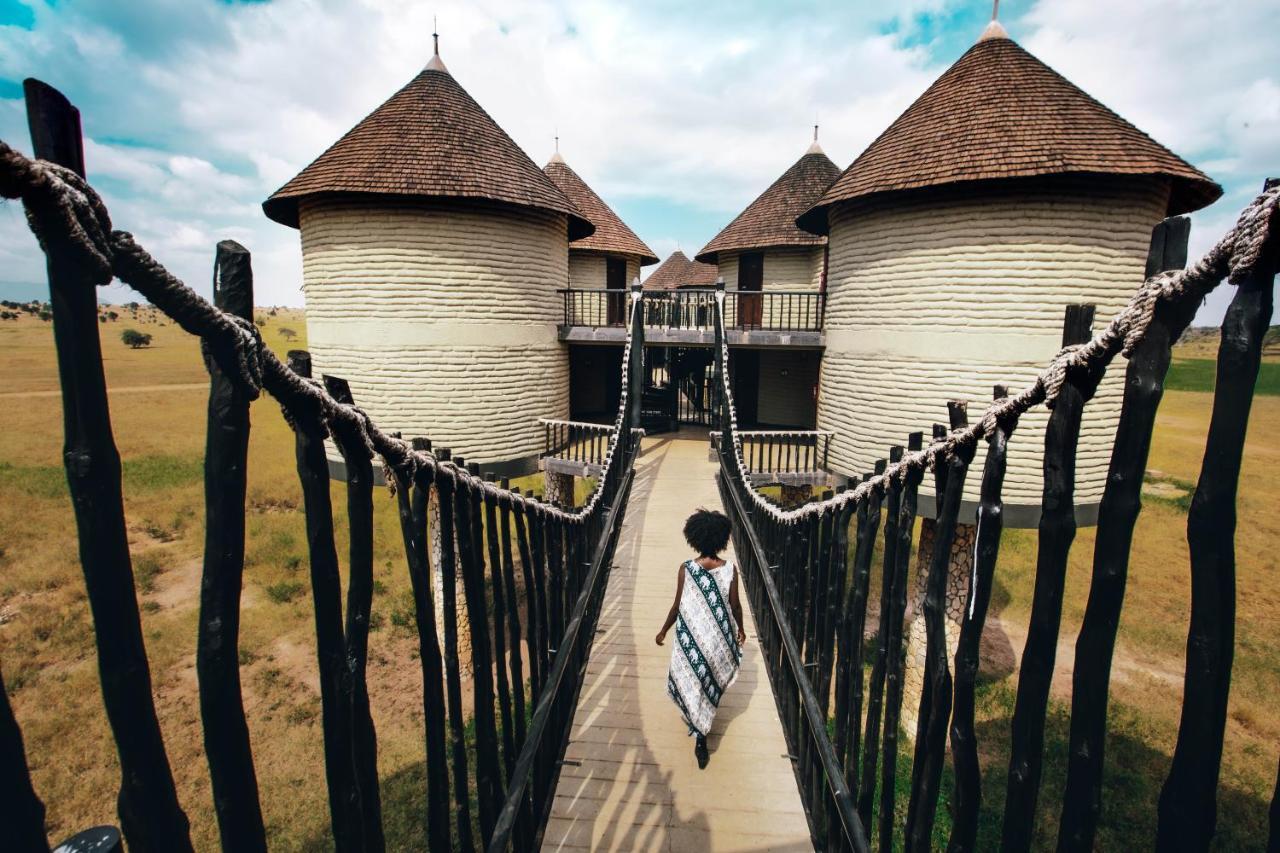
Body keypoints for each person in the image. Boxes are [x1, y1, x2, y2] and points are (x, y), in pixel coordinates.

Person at [655, 508, 746, 768]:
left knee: (691, 679)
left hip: (691, 636)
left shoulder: (687, 569)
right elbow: (736, 606)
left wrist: (663, 630)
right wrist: (740, 629)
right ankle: (701, 729)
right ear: (721, 540)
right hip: (716, 639)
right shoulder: (729, 570)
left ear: (694, 538)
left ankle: (698, 731)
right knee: (708, 681)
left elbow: (676, 606)